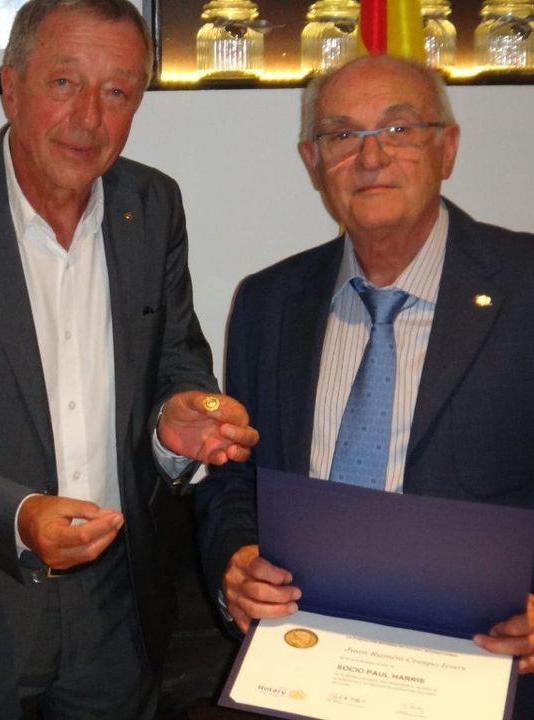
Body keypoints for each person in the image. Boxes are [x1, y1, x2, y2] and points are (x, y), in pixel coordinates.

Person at [0, 0, 258, 717]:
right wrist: (19, 515)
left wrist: (177, 420)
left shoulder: (153, 206)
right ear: (12, 87)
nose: (89, 118)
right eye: (65, 83)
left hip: (118, 608)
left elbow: (177, 362)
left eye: (117, 92)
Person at [195, 54, 534, 719]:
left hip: (485, 671)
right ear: (313, 160)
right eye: (343, 135)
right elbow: (236, 479)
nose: (371, 156)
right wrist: (235, 561)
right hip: (305, 667)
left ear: (448, 148)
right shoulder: (268, 302)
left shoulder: (526, 285)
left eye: (399, 129)